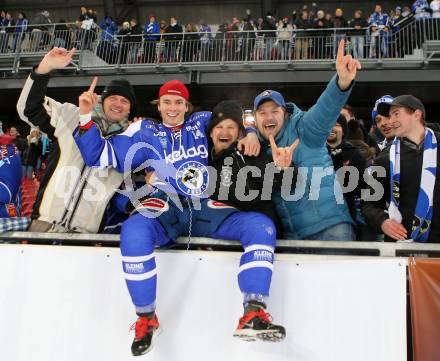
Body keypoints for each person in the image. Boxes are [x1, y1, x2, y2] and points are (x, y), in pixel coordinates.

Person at [74, 80, 286, 355]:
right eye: (167, 102)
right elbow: (98, 155)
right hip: (165, 205)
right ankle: (146, 317)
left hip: (205, 204)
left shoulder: (202, 121)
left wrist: (248, 131)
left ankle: (253, 312)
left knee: (260, 226)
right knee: (134, 232)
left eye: (178, 102)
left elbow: (230, 115)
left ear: (187, 106)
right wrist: (85, 116)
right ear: (158, 105)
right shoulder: (144, 130)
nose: (173, 108)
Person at [16, 47, 134, 233]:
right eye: (113, 98)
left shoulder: (130, 144)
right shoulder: (71, 116)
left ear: (129, 110)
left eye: (124, 101)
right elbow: (28, 109)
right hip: (44, 225)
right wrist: (45, 68)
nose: (118, 104)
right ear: (103, 100)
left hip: (87, 236)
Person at [253, 40, 361, 241]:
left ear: (285, 114)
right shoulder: (255, 148)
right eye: (262, 113)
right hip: (292, 237)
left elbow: (326, 109)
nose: (268, 117)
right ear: (256, 118)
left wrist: (341, 82)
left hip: (331, 229)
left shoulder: (305, 128)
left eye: (274, 111)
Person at [208, 100, 298, 236]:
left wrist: (284, 167)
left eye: (231, 127)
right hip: (220, 242)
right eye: (219, 127)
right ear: (210, 133)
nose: (224, 132)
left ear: (239, 134)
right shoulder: (204, 159)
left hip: (260, 235)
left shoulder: (248, 154)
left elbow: (286, 184)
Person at [362, 95, 439, 243]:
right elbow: (369, 204)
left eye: (396, 114)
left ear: (417, 115)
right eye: (389, 116)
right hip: (402, 247)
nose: (390, 121)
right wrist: (383, 222)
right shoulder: (384, 158)